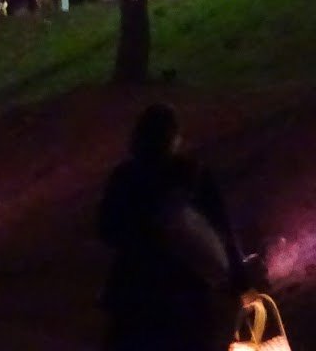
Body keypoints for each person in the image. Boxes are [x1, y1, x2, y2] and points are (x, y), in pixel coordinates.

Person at [97, 104, 247, 351]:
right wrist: (239, 278)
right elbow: (221, 226)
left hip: (135, 292)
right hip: (186, 292)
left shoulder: (126, 176)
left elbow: (106, 228)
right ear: (173, 137)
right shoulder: (192, 174)